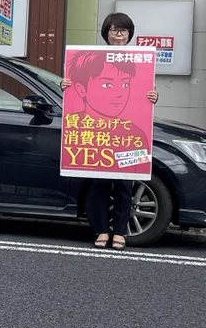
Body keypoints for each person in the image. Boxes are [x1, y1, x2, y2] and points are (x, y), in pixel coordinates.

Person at [61, 13, 158, 250]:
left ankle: (121, 232)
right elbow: (73, 89)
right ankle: (102, 230)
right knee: (98, 186)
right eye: (114, 30)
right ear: (106, 33)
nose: (119, 36)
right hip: (97, 136)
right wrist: (66, 85)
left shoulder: (139, 61)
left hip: (123, 139)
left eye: (124, 31)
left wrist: (154, 96)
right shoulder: (92, 58)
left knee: (125, 185)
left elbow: (144, 91)